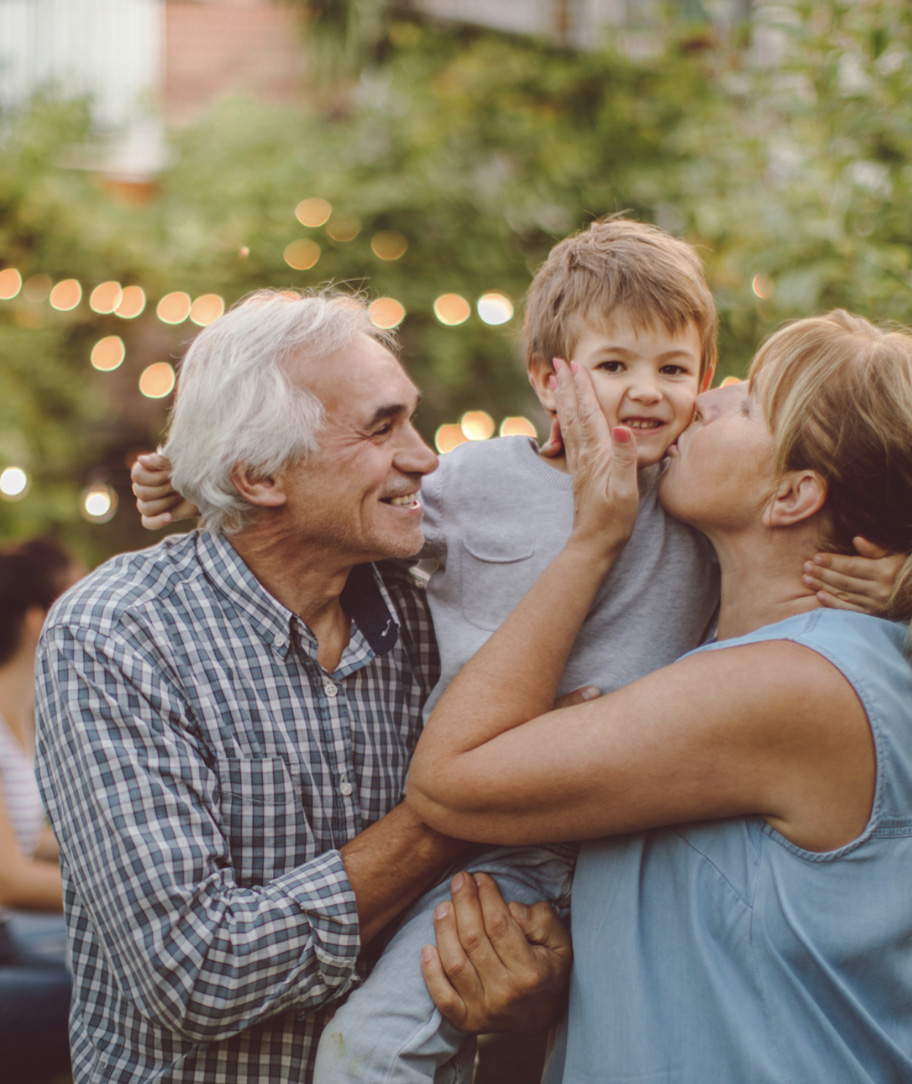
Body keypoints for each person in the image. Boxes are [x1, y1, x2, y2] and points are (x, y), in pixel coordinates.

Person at [133, 223, 898, 1084]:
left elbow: (836, 533)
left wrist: (901, 577)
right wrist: (191, 472)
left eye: (675, 372)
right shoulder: (479, 484)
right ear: (548, 377)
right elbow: (336, 505)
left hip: (630, 835)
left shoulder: (690, 498)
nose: (647, 394)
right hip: (500, 850)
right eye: (615, 367)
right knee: (367, 1051)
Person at [407, 311, 912, 1083]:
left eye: (752, 402)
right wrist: (553, 993)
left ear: (794, 494)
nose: (705, 398)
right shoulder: (786, 661)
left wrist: (595, 539)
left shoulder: (798, 684)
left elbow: (449, 780)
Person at [34, 290, 571, 1084]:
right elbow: (196, 971)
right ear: (257, 475)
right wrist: (467, 801)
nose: (425, 457)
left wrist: (531, 988)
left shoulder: (437, 614)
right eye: (383, 427)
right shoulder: (117, 634)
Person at [0, 537, 82, 1083]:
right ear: (40, 619)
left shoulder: (20, 718)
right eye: (83, 595)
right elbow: (8, 879)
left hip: (7, 942)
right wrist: (140, 895)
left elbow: (34, 836)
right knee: (105, 1002)